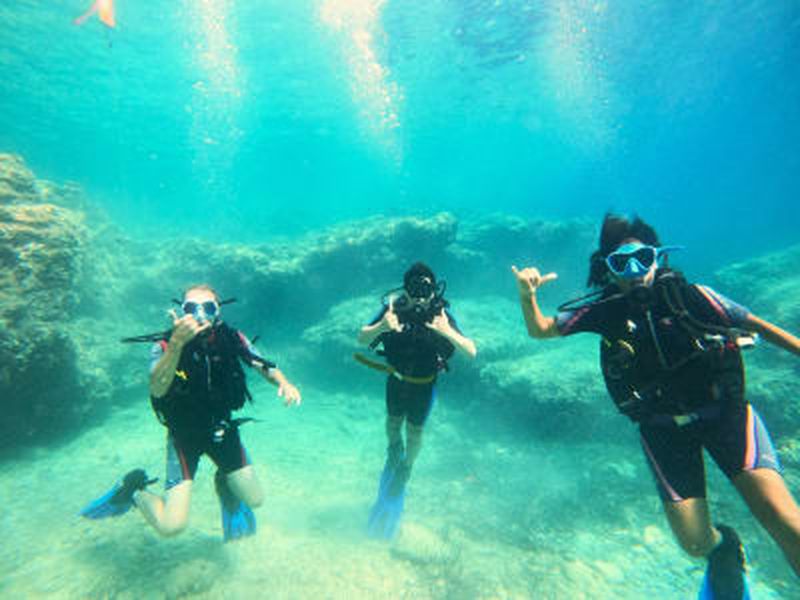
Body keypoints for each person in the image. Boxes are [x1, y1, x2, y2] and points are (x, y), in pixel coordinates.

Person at [511, 214, 800, 596]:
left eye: (643, 259)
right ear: (608, 270)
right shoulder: (605, 311)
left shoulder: (693, 296)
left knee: (784, 520)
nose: (633, 272)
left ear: (658, 259)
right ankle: (724, 547)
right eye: (620, 263)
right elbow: (541, 330)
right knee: (694, 543)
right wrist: (527, 295)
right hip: (664, 429)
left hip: (726, 415)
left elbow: (758, 325)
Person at [81, 284, 302, 542]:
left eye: (207, 307)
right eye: (191, 308)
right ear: (181, 311)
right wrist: (176, 344)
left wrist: (283, 382)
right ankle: (133, 490)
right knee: (171, 527)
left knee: (256, 499)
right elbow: (157, 388)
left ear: (218, 311)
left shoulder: (232, 338)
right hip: (184, 437)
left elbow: (261, 363)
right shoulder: (165, 344)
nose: (200, 314)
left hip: (222, 430)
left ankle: (226, 485)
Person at [357, 262, 476, 538]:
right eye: (414, 288)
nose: (420, 295)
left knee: (415, 431)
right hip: (396, 379)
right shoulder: (394, 309)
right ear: (405, 290)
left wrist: (446, 331)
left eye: (426, 288)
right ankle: (393, 449)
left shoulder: (441, 314)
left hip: (424, 385)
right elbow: (362, 339)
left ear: (434, 290)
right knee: (392, 423)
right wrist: (380, 327)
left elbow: (471, 351)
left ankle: (407, 466)